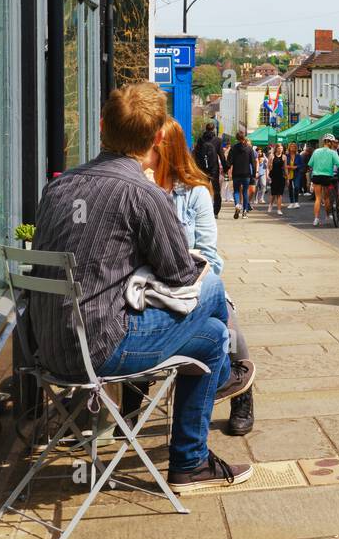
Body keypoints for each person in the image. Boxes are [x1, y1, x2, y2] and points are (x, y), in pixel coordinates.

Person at [30, 82, 253, 492]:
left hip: (47, 348)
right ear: (155, 139)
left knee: (213, 335)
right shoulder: (141, 193)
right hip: (100, 349)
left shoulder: (58, 187)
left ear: (101, 127)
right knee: (215, 290)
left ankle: (193, 458)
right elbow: (182, 277)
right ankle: (216, 395)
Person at [151, 118, 256, 437]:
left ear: (163, 150)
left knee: (220, 305)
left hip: (190, 282)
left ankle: (242, 391)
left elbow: (209, 255)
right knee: (215, 317)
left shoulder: (194, 192)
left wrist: (185, 278)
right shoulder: (138, 190)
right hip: (150, 287)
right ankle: (132, 405)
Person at [308, 133, 339, 226]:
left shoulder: (316, 151)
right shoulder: (332, 152)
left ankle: (316, 219)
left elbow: (310, 164)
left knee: (318, 198)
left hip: (316, 176)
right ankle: (327, 215)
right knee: (326, 198)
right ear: (330, 142)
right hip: (327, 176)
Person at [192, 123, 224, 218]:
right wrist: (226, 167)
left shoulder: (201, 140)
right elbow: (221, 155)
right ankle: (216, 211)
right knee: (216, 190)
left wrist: (196, 167)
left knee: (202, 189)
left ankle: (202, 210)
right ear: (213, 129)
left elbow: (196, 154)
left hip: (202, 169)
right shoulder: (218, 140)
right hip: (214, 168)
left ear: (205, 129)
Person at [226, 131, 256, 219]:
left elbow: (229, 162)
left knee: (236, 191)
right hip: (246, 173)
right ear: (244, 137)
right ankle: (245, 212)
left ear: (237, 138)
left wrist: (225, 169)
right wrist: (253, 173)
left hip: (236, 173)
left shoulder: (233, 148)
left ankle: (237, 206)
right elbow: (253, 162)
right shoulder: (249, 149)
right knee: (245, 192)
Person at [268, 145, 286, 215]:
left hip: (281, 176)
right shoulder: (272, 156)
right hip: (273, 176)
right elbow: (268, 166)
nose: (280, 149)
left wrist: (287, 177)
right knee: (273, 194)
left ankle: (279, 209)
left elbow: (285, 167)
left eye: (281, 148)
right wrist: (268, 176)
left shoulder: (284, 157)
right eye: (279, 148)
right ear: (276, 149)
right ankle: (270, 204)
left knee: (280, 194)